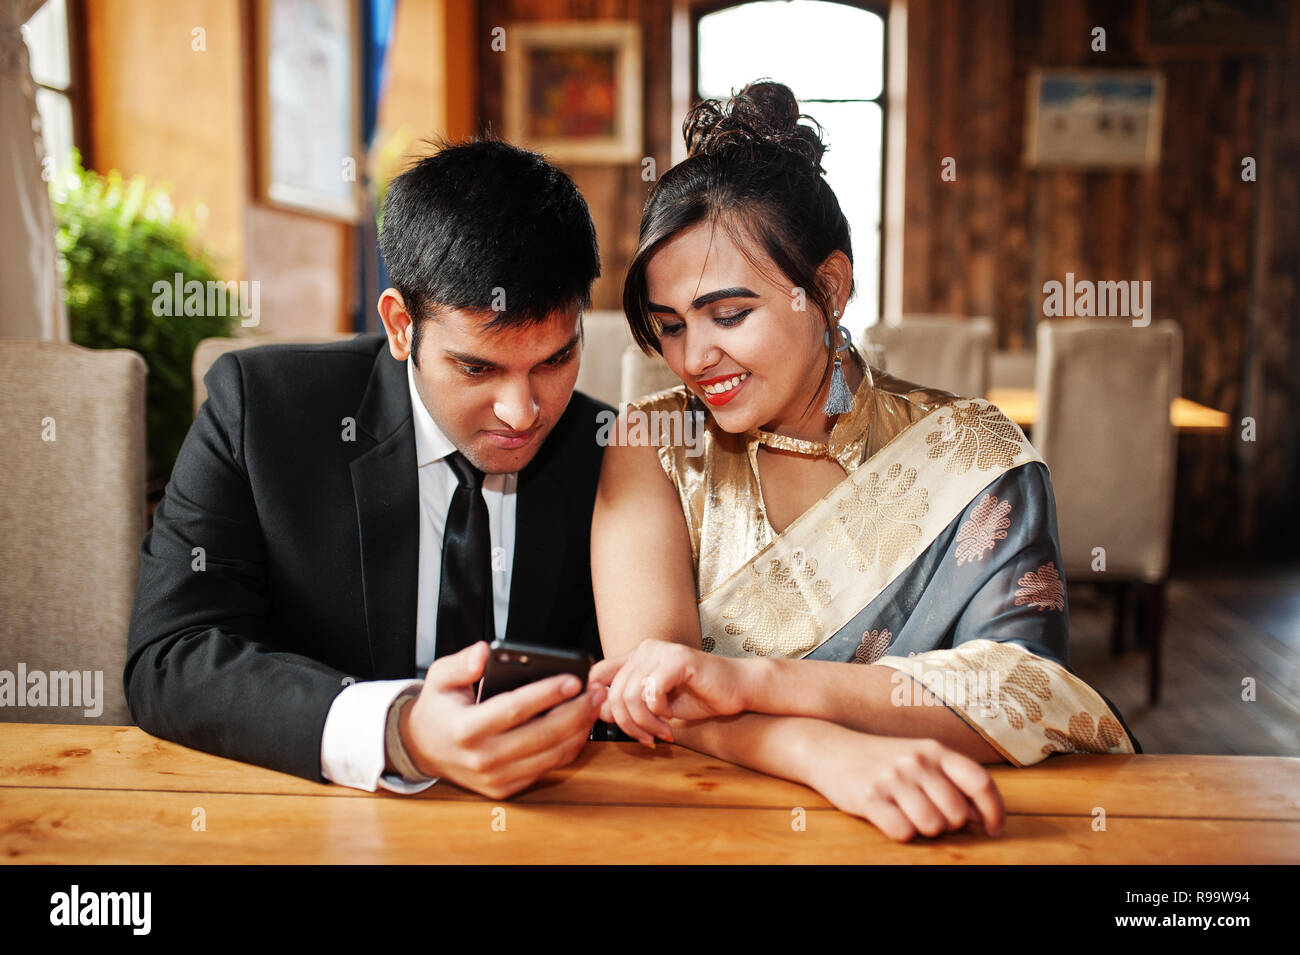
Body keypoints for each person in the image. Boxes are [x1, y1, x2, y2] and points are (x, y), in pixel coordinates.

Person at [590, 81, 1140, 843]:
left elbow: (1023, 689)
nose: (695, 356)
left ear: (829, 287)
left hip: (936, 823)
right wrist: (824, 751)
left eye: (729, 315)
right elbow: (656, 696)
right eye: (670, 326)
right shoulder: (649, 446)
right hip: (706, 825)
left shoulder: (970, 451)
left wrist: (759, 680)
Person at [126, 138, 613, 799]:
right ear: (400, 324)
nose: (523, 412)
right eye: (478, 367)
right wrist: (397, 731)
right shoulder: (263, 413)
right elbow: (170, 656)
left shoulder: (607, 451)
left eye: (554, 361)